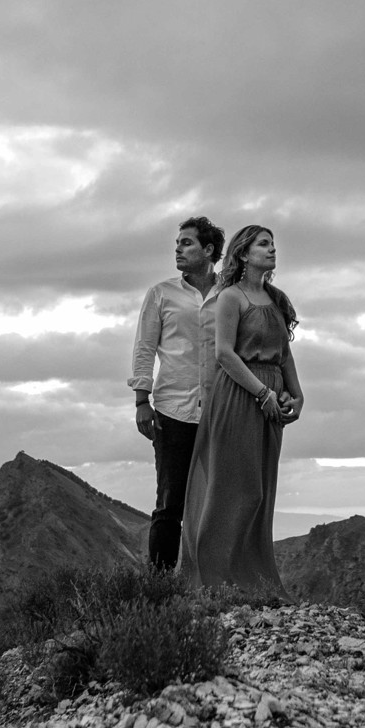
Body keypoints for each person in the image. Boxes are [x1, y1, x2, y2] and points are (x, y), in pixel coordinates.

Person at [179, 224, 301, 593]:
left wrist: (296, 395)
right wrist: (262, 393)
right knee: (236, 488)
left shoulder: (276, 299)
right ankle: (216, 582)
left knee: (261, 490)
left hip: (272, 402)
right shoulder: (230, 297)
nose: (272, 249)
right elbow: (224, 354)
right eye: (264, 244)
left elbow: (286, 353)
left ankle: (254, 580)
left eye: (273, 244)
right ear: (244, 254)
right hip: (239, 397)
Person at [128, 215, 224, 570]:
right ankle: (159, 589)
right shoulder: (161, 293)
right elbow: (144, 348)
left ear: (209, 250)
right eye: (177, 244)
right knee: (170, 503)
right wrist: (141, 399)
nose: (178, 250)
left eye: (187, 243)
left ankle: (214, 584)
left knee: (218, 501)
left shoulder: (230, 293)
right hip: (172, 410)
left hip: (221, 411)